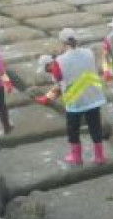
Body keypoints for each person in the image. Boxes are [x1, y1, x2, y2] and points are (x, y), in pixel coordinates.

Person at [36, 28, 108, 166]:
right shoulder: (89, 53)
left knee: (73, 129)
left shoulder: (59, 61)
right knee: (95, 127)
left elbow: (58, 79)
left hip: (75, 101)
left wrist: (48, 97)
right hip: (93, 97)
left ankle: (77, 157)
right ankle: (99, 156)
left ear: (63, 43)